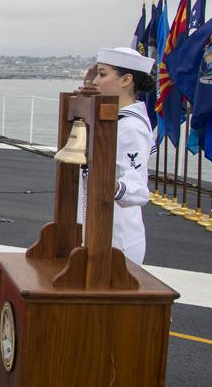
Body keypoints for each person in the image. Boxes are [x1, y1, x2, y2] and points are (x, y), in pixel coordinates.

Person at [79, 47, 156, 266]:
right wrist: (86, 86)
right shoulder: (113, 118)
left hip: (116, 240)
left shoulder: (131, 127)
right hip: (96, 230)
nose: (96, 81)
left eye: (102, 74)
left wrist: (107, 184)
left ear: (126, 80)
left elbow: (138, 188)